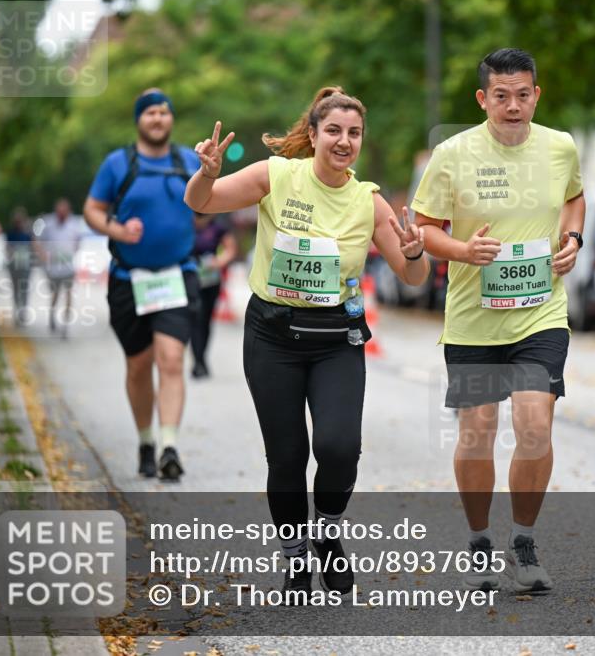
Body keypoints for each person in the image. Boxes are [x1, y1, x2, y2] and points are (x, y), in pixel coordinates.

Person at [184, 87, 429, 602]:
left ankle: (328, 530)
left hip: (336, 338)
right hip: (272, 336)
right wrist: (206, 171)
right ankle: (296, 557)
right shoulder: (276, 176)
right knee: (288, 456)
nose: (344, 142)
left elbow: (411, 277)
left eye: (354, 133)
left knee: (339, 448)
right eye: (334, 131)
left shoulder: (369, 201)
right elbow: (201, 203)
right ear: (313, 134)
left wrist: (414, 253)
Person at [412, 48, 586, 593]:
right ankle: (479, 538)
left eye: (524, 94)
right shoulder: (452, 154)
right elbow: (423, 229)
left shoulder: (560, 147)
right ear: (483, 99)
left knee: (535, 426)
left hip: (541, 313)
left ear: (537, 94)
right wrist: (464, 250)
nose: (514, 106)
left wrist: (573, 240)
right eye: (502, 96)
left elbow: (576, 199)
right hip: (473, 320)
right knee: (478, 432)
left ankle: (524, 540)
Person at [82, 88, 201, 482]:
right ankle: (146, 440)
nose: (157, 119)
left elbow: (205, 203)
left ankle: (169, 446)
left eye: (164, 113)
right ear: (139, 120)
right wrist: (117, 229)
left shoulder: (188, 160)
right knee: (138, 365)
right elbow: (93, 210)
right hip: (127, 279)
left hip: (176, 276)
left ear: (171, 120)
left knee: (170, 360)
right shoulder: (119, 163)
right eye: (150, 113)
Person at [189, 213, 237, 378]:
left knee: (205, 320)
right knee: (195, 318)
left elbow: (230, 249)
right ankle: (197, 361)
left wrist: (218, 262)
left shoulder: (218, 226)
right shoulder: (185, 223)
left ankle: (202, 358)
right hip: (190, 280)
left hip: (211, 281)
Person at [34, 197, 86, 337]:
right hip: (53, 268)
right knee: (55, 295)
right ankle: (52, 317)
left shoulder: (74, 224)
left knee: (68, 295)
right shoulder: (48, 223)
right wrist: (42, 255)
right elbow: (36, 240)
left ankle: (65, 325)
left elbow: (79, 242)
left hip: (68, 267)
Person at [5, 209, 34, 327]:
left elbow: (33, 247)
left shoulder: (27, 234)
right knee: (16, 289)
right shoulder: (10, 234)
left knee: (24, 289)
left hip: (25, 265)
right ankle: (18, 310)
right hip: (14, 266)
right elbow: (8, 249)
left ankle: (22, 312)